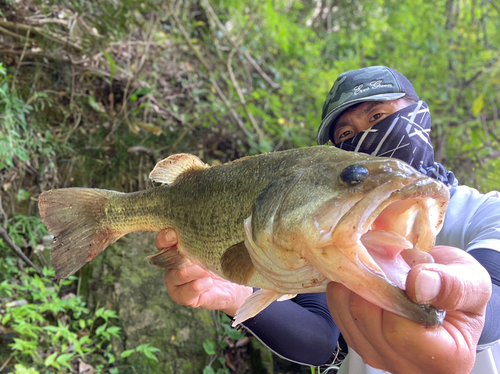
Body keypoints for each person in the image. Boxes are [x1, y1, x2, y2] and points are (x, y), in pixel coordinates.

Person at [154, 66, 500, 374]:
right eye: (346, 137)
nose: (365, 136)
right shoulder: (330, 232)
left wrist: (464, 308)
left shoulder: (487, 212)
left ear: (418, 114)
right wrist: (233, 294)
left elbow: (496, 299)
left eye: (378, 116)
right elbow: (322, 340)